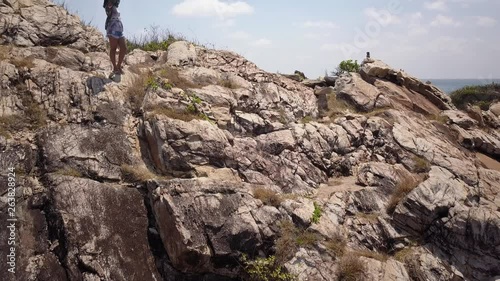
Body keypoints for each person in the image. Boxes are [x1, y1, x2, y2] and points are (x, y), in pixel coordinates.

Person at [103, 0, 126, 78]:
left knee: (124, 48)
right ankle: (115, 67)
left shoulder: (115, 6)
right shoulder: (109, 5)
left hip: (119, 29)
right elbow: (108, 10)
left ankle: (119, 65)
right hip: (112, 29)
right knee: (113, 48)